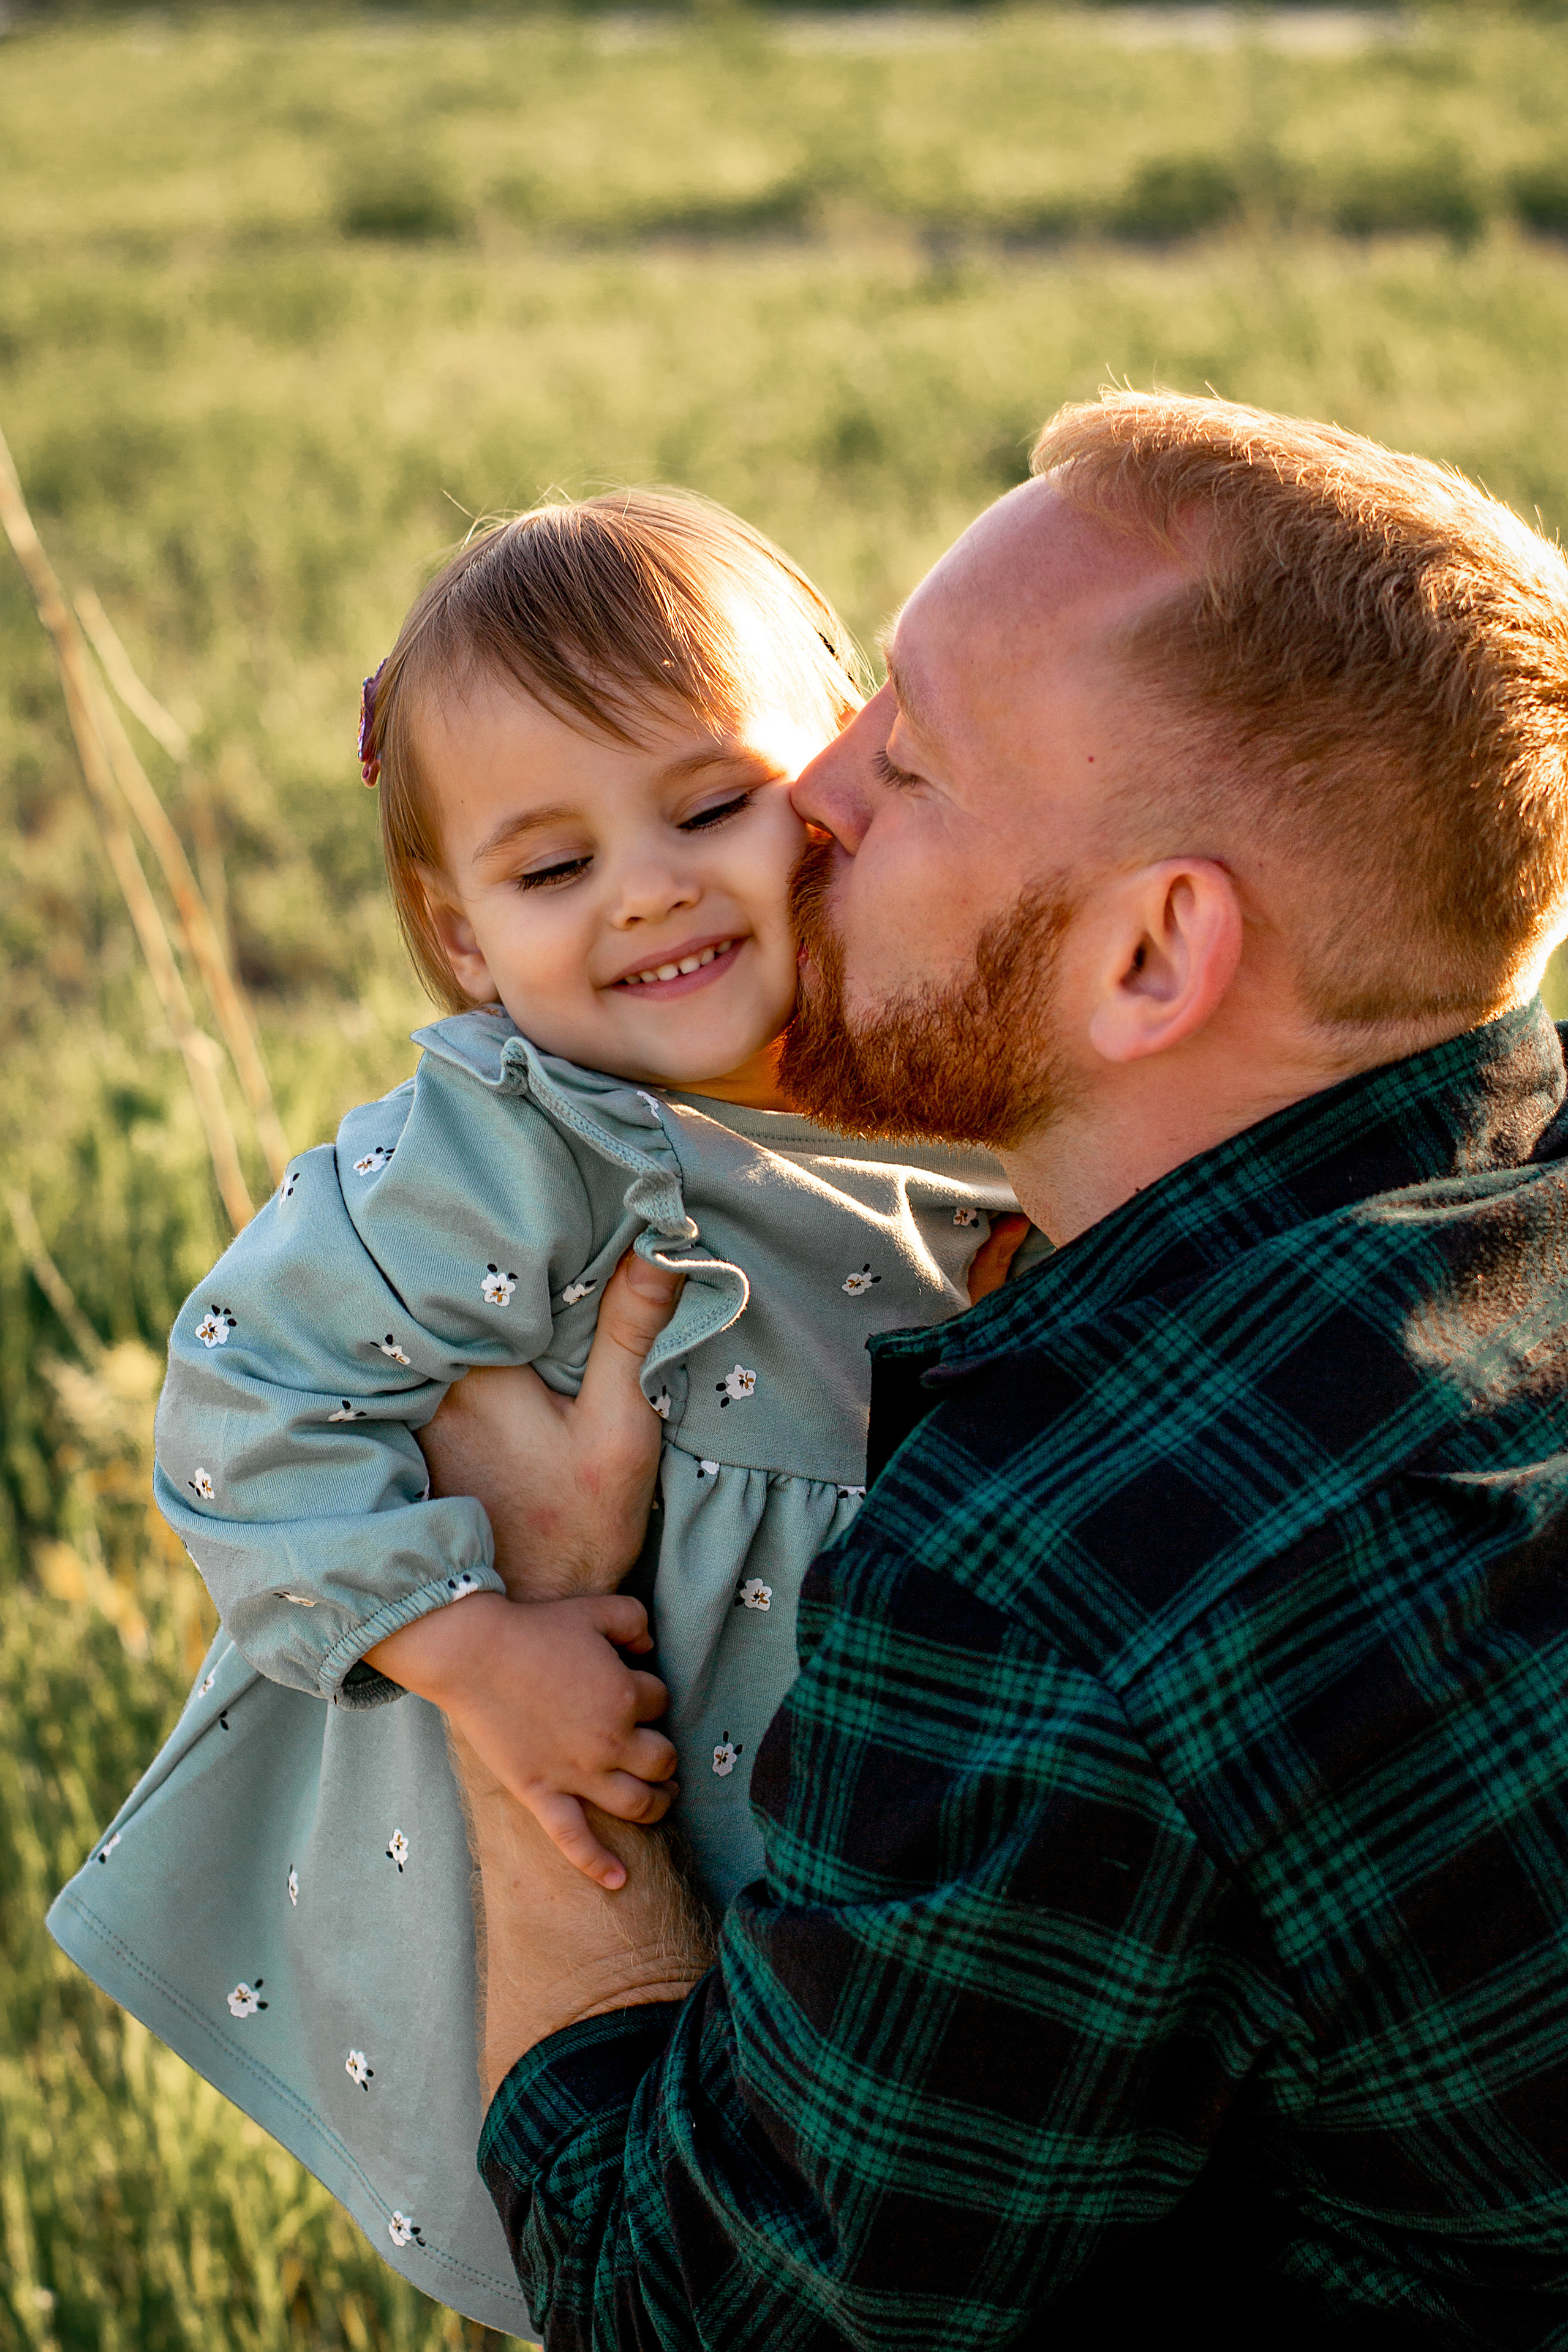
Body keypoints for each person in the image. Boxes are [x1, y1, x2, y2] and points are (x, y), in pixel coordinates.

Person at [435, 393, 1568, 2348]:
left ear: (1153, 961)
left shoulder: (1054, 1584)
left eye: (921, 758)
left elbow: (678, 2312)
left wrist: (534, 1606)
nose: (814, 794)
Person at [46, 491, 1036, 2337]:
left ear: (833, 779)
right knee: (666, 2191)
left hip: (875, 1799)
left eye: (705, 805)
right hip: (629, 1756)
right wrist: (475, 1645)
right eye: (551, 867)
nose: (649, 891)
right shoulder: (515, 1152)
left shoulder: (924, 1062)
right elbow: (243, 1403)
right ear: (463, 934)